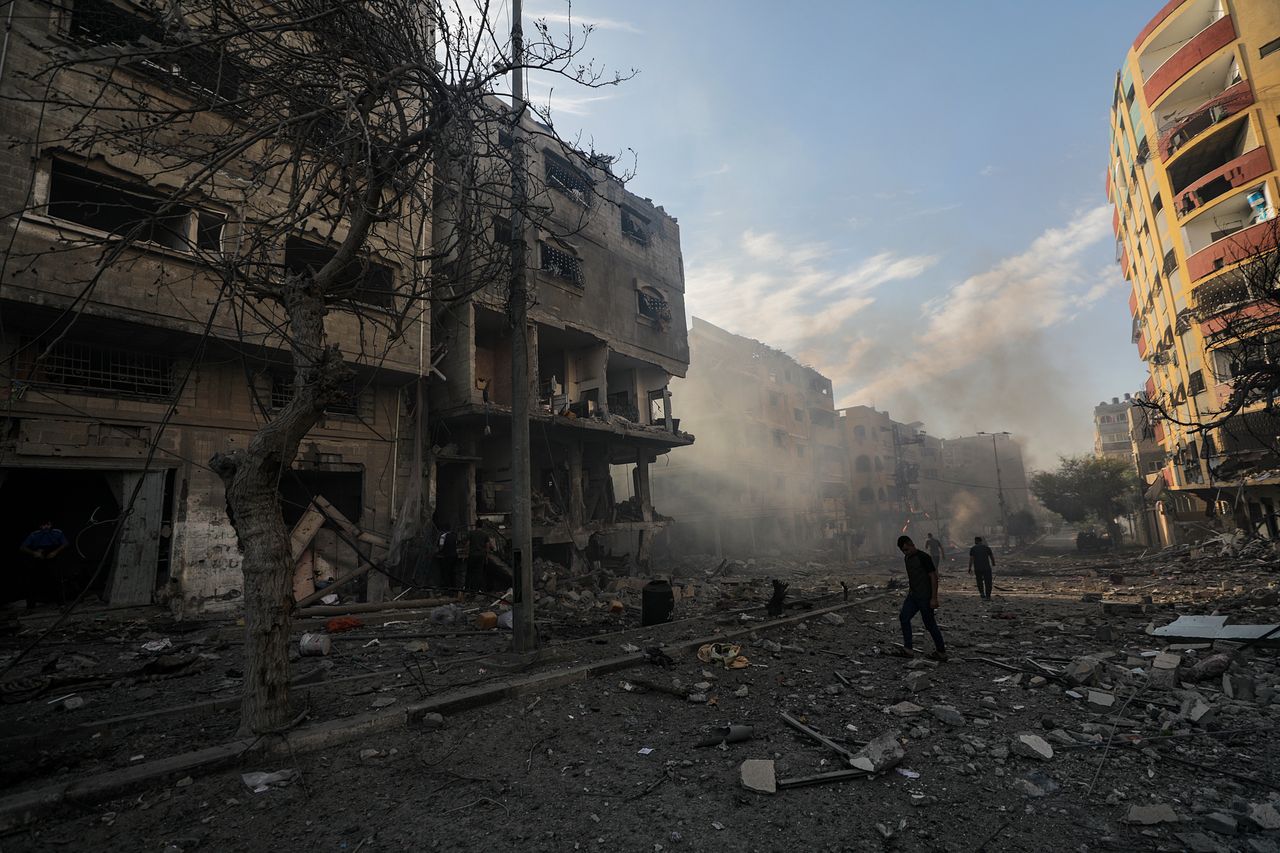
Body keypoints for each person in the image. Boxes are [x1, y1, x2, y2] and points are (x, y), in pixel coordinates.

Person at [896, 535, 947, 661]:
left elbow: (933, 577)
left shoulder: (923, 557)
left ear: (912, 544)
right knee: (904, 617)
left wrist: (934, 598)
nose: (906, 552)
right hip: (913, 596)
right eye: (903, 551)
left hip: (925, 597)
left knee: (930, 624)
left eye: (907, 549)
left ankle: (941, 652)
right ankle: (908, 649)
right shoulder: (907, 558)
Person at [19, 521, 69, 607]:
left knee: (56, 579)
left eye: (47, 525)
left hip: (52, 554)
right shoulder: (34, 534)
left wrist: (55, 552)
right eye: (43, 525)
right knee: (32, 581)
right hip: (39, 555)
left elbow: (65, 543)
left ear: (51, 525)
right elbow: (22, 547)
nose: (45, 527)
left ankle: (61, 604)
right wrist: (34, 553)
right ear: (40, 526)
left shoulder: (57, 532)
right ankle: (30, 606)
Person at [968, 536, 996, 601]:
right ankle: (988, 596)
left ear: (976, 541)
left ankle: (982, 593)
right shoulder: (987, 548)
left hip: (977, 568)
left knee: (979, 581)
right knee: (988, 582)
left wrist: (969, 568)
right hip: (986, 568)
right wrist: (993, 563)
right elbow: (991, 557)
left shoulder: (973, 549)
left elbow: (971, 559)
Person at [464, 526, 491, 592]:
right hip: (481, 556)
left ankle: (467, 588)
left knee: (469, 572)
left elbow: (467, 544)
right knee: (478, 573)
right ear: (482, 526)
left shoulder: (471, 533)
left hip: (472, 555)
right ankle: (475, 590)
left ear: (476, 526)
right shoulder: (485, 534)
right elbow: (487, 546)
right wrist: (486, 557)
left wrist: (466, 553)